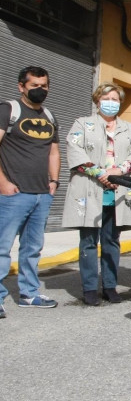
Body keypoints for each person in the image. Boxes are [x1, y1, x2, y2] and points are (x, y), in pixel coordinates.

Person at [62, 82, 131, 306]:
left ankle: (109, 286)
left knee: (112, 241)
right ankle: (89, 287)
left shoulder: (128, 127)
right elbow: (74, 149)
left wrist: (119, 171)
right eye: (106, 98)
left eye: (115, 99)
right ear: (98, 101)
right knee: (88, 241)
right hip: (90, 189)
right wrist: (100, 173)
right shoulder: (82, 123)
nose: (110, 103)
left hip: (116, 192)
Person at [0, 66, 60, 316]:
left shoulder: (49, 115)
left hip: (41, 194)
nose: (40, 89)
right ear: (21, 86)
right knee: (2, 247)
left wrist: (54, 182)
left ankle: (29, 293)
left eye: (44, 85)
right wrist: (2, 182)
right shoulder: (8, 110)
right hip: (13, 193)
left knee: (32, 248)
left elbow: (54, 151)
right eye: (34, 85)